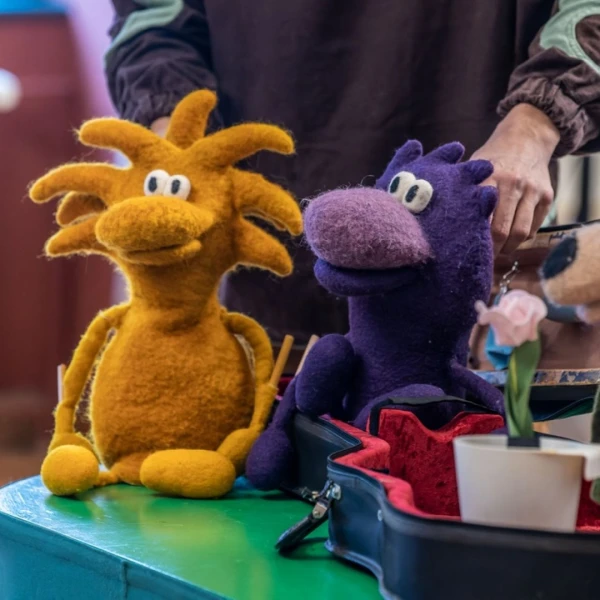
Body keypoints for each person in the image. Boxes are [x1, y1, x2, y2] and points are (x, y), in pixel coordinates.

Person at [105, 0, 600, 355]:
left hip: (472, 286)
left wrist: (535, 125)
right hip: (264, 283)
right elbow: (153, 21)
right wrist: (178, 145)